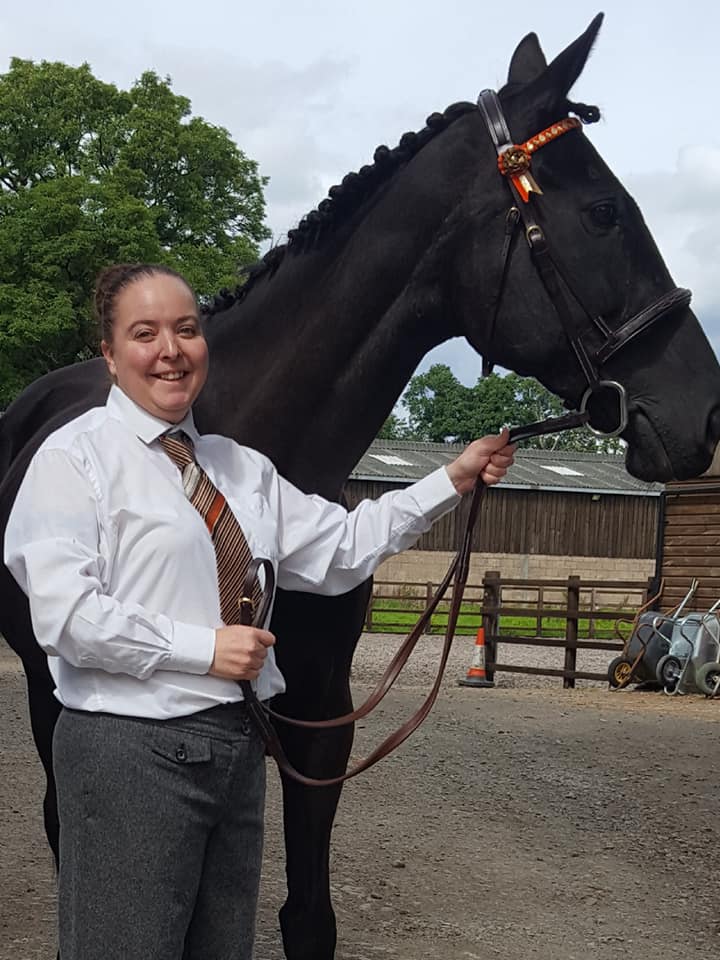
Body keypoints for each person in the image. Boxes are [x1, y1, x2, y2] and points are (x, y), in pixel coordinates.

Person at [4, 262, 515, 960]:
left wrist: (450, 480)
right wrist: (203, 650)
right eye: (144, 333)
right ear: (111, 355)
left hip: (235, 750)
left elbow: (342, 548)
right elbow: (65, 616)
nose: (170, 350)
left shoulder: (238, 469)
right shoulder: (74, 460)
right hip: (128, 752)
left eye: (185, 330)